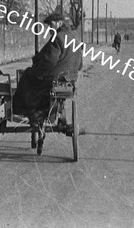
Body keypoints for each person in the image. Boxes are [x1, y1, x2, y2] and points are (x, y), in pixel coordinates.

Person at [13, 13, 83, 153]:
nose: (49, 29)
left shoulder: (58, 38)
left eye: (50, 25)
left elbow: (49, 62)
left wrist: (36, 73)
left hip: (53, 79)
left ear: (58, 23)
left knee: (26, 77)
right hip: (69, 80)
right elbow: (80, 64)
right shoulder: (75, 38)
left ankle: (31, 112)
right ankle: (42, 111)